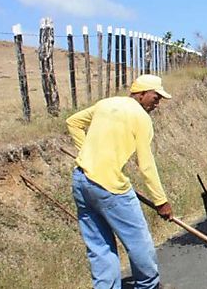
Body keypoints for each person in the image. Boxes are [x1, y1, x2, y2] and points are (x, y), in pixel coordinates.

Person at [66, 74, 173, 288]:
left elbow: (73, 122)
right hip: (111, 187)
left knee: (99, 247)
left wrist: (86, 150)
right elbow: (146, 164)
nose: (157, 103)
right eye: (156, 97)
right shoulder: (142, 119)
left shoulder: (106, 104)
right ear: (142, 94)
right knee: (139, 241)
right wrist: (161, 201)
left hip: (81, 180)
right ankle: (149, 285)